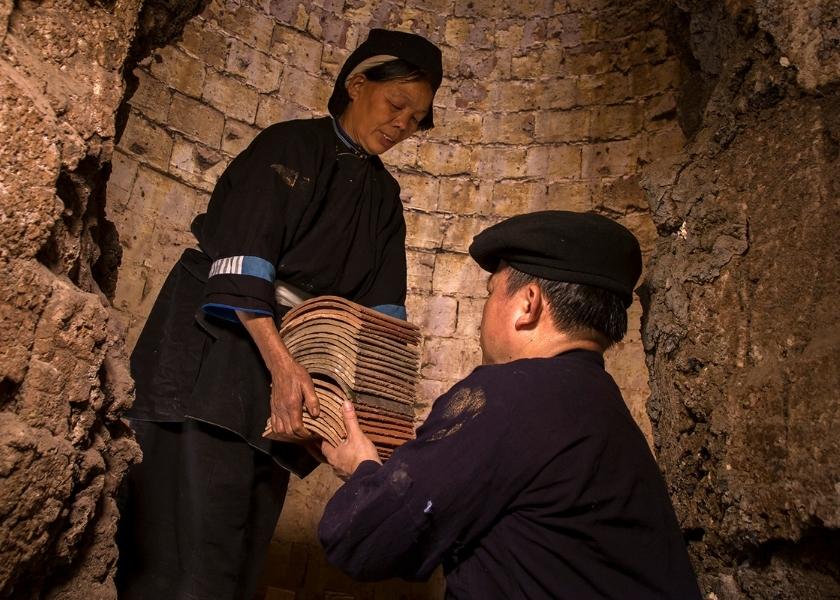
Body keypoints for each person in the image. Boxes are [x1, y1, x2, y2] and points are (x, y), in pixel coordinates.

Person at [116, 29, 443, 599]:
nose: (402, 125)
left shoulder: (384, 200)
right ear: (356, 85)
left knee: (243, 552)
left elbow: (380, 320)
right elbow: (245, 263)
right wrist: (285, 369)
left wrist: (365, 427)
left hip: (284, 373)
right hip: (214, 355)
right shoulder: (288, 146)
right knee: (193, 546)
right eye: (396, 105)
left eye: (416, 119)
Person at [318, 211, 703, 599]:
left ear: (528, 304)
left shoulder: (514, 395)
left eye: (491, 293)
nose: (483, 312)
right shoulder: (601, 405)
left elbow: (364, 539)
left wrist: (361, 468)